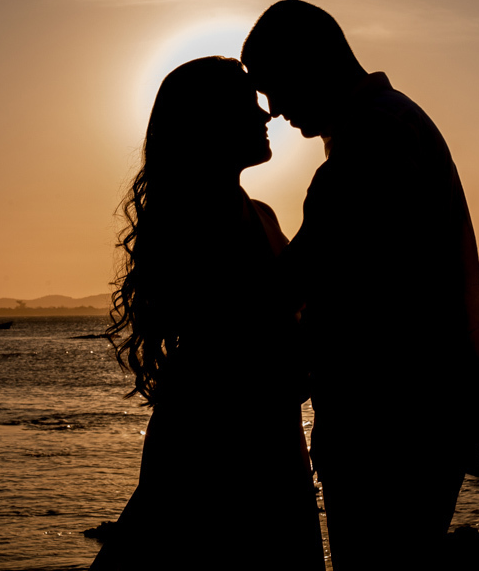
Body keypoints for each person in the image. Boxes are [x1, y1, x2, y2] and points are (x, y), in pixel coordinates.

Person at [241, 0, 479, 570]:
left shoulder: (375, 139)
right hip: (415, 421)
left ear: (311, 62)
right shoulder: (387, 124)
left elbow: (322, 277)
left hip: (390, 431)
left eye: (274, 85)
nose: (273, 110)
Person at [91, 56, 324, 571]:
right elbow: (248, 322)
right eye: (248, 106)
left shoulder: (259, 213)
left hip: (268, 435)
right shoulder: (192, 223)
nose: (266, 116)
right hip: (217, 441)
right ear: (210, 124)